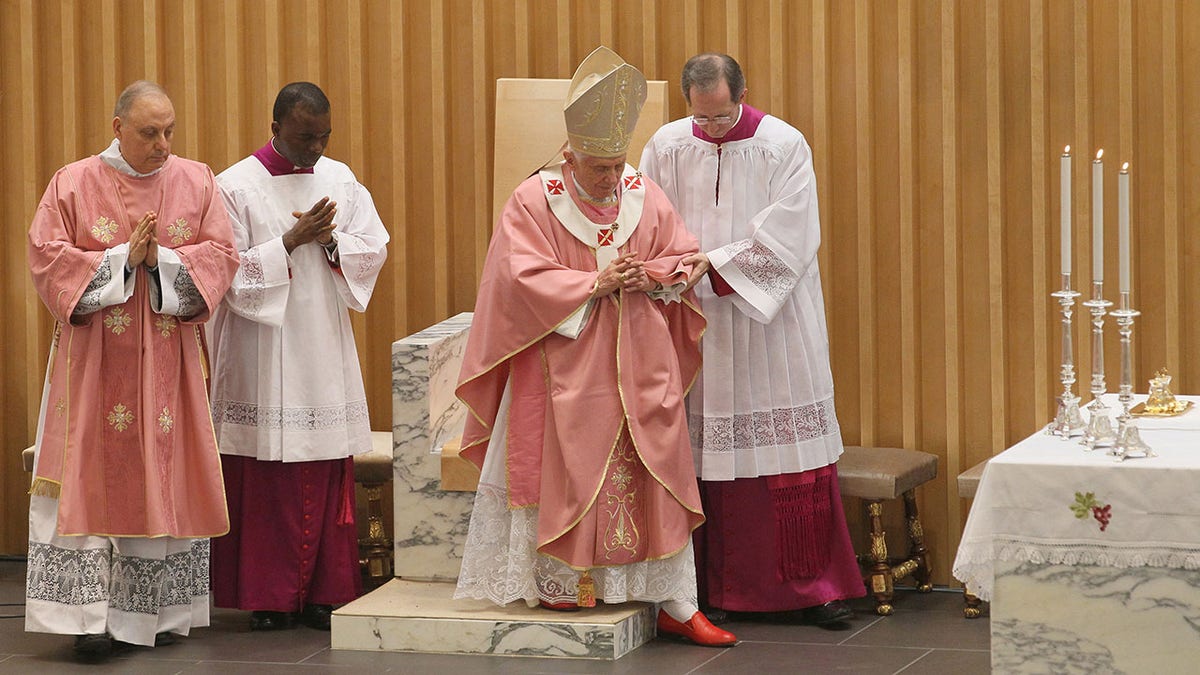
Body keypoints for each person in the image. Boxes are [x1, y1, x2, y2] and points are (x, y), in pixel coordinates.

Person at [452, 46, 735, 648]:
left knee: (656, 465)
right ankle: (565, 581)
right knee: (567, 464)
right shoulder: (534, 201)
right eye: (598, 168)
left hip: (640, 357)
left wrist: (652, 277)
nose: (611, 179)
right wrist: (591, 284)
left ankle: (672, 599)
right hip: (563, 362)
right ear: (569, 154)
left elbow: (683, 256)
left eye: (617, 164)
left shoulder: (640, 191)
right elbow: (515, 279)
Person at [639, 53, 865, 625]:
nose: (712, 128)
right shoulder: (666, 146)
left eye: (722, 115)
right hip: (694, 320)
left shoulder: (783, 145)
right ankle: (699, 590)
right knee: (698, 447)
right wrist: (669, 269)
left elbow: (792, 236)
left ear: (741, 94)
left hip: (772, 325)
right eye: (702, 117)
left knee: (784, 450)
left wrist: (711, 266)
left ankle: (808, 589)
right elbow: (646, 220)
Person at [24, 80, 240, 660]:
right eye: (149, 132)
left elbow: (222, 256)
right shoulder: (72, 182)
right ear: (117, 126)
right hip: (91, 367)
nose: (163, 144)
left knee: (161, 471)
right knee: (89, 472)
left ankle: (159, 614)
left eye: (169, 130)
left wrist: (162, 261)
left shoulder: (196, 180)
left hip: (167, 363)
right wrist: (123, 260)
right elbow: (46, 259)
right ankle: (88, 620)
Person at [207, 82, 389, 632]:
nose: (317, 147)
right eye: (306, 136)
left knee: (324, 466)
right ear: (276, 128)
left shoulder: (340, 178)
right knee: (266, 481)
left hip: (321, 346)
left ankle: (324, 593)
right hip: (261, 349)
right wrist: (289, 242)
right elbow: (223, 269)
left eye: (324, 135)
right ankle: (269, 595)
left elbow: (373, 245)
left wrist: (333, 244)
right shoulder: (234, 186)